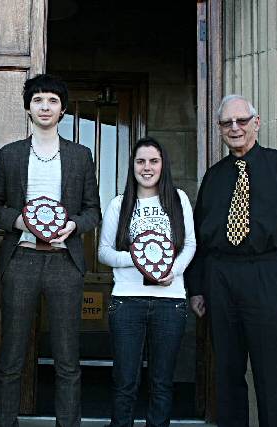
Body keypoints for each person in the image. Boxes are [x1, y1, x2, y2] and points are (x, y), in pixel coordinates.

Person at [185, 95, 277, 427]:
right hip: (220, 277)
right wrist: (198, 287)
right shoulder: (214, 177)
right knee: (227, 371)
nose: (235, 128)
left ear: (256, 123)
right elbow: (201, 242)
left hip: (266, 274)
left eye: (241, 121)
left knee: (272, 370)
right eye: (227, 123)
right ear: (219, 129)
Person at [0, 74, 101, 427]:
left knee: (68, 357)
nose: (45, 107)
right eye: (38, 100)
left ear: (62, 109)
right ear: (28, 108)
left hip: (64, 262)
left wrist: (73, 227)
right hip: (20, 260)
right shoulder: (11, 154)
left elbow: (92, 210)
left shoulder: (81, 156)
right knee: (11, 356)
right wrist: (20, 222)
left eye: (52, 100)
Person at [98, 137, 196, 427]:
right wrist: (137, 258)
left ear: (163, 164)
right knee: (125, 381)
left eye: (153, 161)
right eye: (140, 161)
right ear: (133, 166)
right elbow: (103, 252)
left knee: (162, 382)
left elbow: (190, 245)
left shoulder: (178, 200)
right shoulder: (119, 204)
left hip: (171, 303)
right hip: (127, 303)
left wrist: (172, 271)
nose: (147, 167)